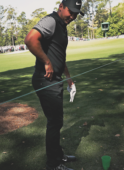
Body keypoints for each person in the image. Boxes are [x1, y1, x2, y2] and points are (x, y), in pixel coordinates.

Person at [24, 0, 84, 170]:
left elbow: (59, 56)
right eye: (70, 12)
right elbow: (30, 39)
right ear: (61, 7)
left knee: (57, 121)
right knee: (54, 122)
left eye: (75, 14)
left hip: (55, 80)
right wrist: (46, 61)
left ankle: (59, 156)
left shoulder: (62, 26)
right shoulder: (51, 21)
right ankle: (53, 165)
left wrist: (69, 78)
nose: (72, 16)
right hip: (45, 80)